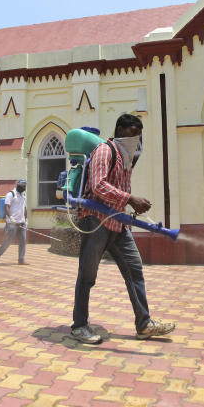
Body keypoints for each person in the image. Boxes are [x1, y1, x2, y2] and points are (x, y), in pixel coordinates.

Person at [71, 113, 175, 344]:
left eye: (138, 136)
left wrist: (128, 204)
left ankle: (144, 323)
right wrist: (129, 198)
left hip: (118, 223)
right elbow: (97, 186)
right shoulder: (104, 151)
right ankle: (79, 326)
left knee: (134, 270)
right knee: (87, 276)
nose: (134, 140)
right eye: (130, 134)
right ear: (119, 130)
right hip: (95, 221)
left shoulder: (126, 158)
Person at [0, 179, 27, 265]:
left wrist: (26, 219)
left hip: (21, 222)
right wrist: (11, 218)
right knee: (8, 241)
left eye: (25, 186)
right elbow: (6, 207)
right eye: (23, 186)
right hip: (12, 223)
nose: (24, 188)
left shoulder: (23, 195)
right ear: (18, 185)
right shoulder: (11, 194)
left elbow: (24, 208)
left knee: (23, 241)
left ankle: (21, 259)